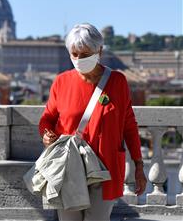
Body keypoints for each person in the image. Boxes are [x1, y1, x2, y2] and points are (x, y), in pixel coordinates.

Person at [39, 23, 147, 221]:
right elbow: (47, 118)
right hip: (69, 168)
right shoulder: (61, 82)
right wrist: (46, 134)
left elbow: (129, 126)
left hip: (105, 169)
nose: (79, 59)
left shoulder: (117, 82)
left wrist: (139, 165)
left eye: (85, 54)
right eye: (74, 54)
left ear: (100, 51)